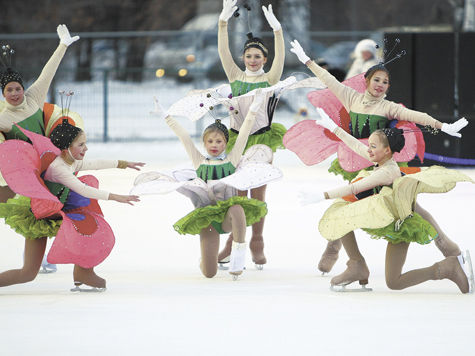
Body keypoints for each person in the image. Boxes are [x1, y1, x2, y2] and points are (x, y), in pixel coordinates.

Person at [289, 39, 469, 274]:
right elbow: (328, 79)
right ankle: (335, 250)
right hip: (356, 155)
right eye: (377, 80)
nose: (381, 85)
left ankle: (444, 244)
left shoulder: (388, 107)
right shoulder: (351, 97)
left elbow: (416, 114)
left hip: (381, 160)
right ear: (366, 81)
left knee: (411, 206)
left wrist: (442, 126)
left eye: (385, 82)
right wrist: (306, 60)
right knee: (347, 201)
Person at [303, 107, 473, 293]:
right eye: (370, 145)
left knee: (394, 282)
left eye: (373, 146)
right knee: (341, 213)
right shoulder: (380, 161)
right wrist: (333, 127)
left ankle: (448, 269)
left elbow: (354, 188)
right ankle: (356, 265)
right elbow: (355, 145)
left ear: (387, 150)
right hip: (388, 219)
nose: (368, 149)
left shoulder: (387, 172)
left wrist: (322, 195)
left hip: (397, 227)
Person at [0, 120, 143, 291]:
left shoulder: (70, 160)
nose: (86, 148)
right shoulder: (59, 168)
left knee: (87, 227)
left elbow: (94, 164)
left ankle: (83, 273)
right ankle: (83, 273)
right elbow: (82, 189)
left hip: (57, 210)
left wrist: (123, 164)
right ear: (66, 147)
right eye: (81, 144)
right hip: (41, 215)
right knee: (28, 273)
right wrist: (116, 197)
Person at [149, 91, 268, 279]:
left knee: (237, 208)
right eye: (210, 141)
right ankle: (205, 263)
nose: (214, 145)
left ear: (225, 143)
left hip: (228, 216)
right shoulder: (199, 161)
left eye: (219, 141)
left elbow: (244, 132)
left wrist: (253, 109)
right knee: (210, 274)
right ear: (204, 143)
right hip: (207, 220)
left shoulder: (232, 159)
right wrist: (165, 115)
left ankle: (237, 259)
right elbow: (184, 137)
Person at [217, 1, 286, 268]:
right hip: (236, 140)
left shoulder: (270, 79)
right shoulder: (234, 75)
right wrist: (223, 23)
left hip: (261, 141)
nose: (253, 60)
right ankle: (234, 242)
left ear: (264, 60)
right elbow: (223, 50)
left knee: (257, 195)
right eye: (249, 56)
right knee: (237, 195)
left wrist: (277, 31)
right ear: (243, 58)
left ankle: (257, 241)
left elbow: (281, 57)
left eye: (258, 57)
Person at [0, 24, 79, 203]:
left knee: (57, 210)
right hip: (28, 173)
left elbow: (47, 73)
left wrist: (63, 45)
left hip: (51, 162)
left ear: (23, 88)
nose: (14, 93)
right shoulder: (3, 119)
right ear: (3, 94)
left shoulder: (33, 97)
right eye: (9, 90)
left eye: (17, 88)